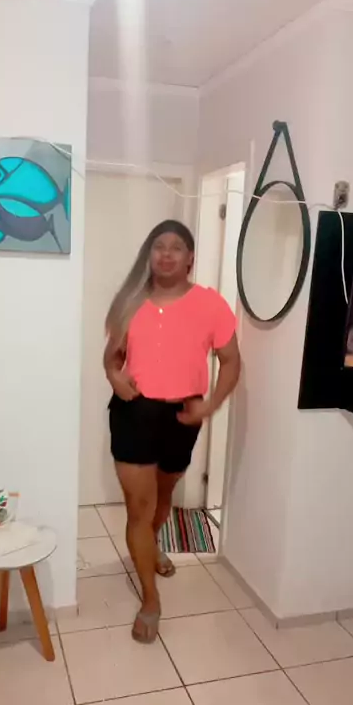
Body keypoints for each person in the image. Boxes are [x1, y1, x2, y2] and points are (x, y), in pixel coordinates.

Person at [103, 219, 240, 644]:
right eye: (158, 246)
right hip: (134, 412)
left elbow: (231, 361)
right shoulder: (130, 301)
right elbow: (112, 357)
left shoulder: (211, 304)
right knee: (139, 508)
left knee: (163, 498)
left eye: (175, 247)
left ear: (189, 257)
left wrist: (211, 404)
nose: (165, 254)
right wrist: (114, 377)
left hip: (183, 417)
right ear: (149, 254)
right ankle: (150, 599)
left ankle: (152, 546)